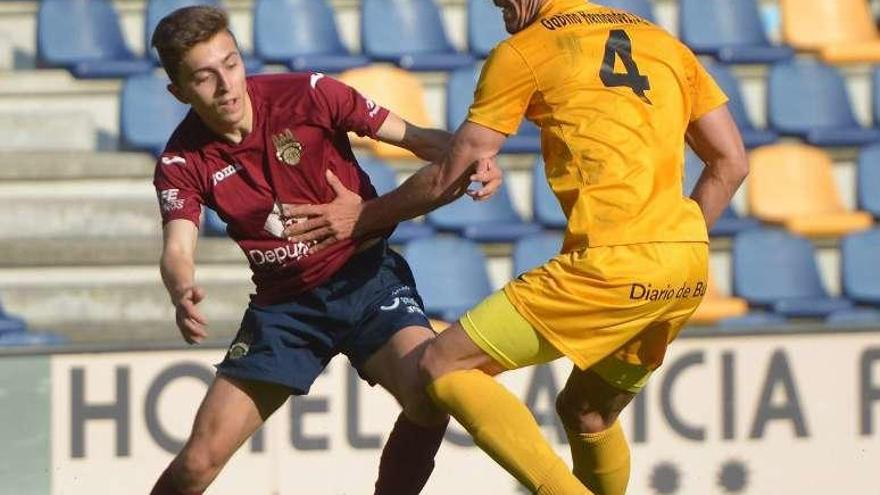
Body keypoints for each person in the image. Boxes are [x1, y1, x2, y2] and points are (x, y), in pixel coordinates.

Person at [282, 0, 750, 493]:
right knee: (587, 413)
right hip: (687, 264)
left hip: (613, 263)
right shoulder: (663, 42)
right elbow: (731, 162)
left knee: (441, 364)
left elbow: (451, 172)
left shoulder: (527, 49)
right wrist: (676, 240)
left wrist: (363, 217)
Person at [147, 6, 501, 495]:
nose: (227, 86)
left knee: (431, 392)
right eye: (205, 78)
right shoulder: (181, 159)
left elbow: (419, 139)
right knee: (197, 465)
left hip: (367, 280)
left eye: (230, 64)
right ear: (178, 91)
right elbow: (177, 247)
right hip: (286, 310)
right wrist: (181, 286)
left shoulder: (309, 94)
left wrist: (476, 160)